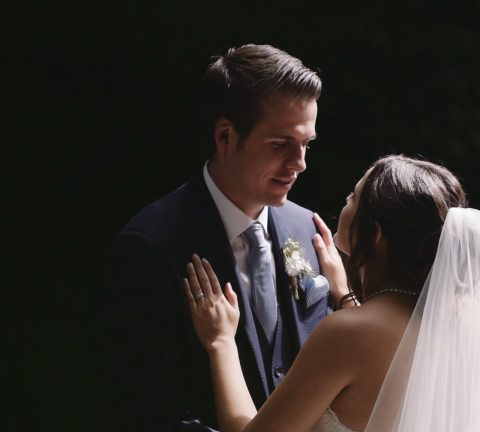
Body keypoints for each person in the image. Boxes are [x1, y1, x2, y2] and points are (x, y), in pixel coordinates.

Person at [102, 44, 347, 431]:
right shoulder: (150, 246)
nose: (300, 164)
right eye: (281, 144)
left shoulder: (308, 230)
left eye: (306, 145)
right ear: (226, 136)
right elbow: (148, 411)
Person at [182, 155, 480, 431]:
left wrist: (221, 342)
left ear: (376, 235)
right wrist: (345, 295)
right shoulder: (464, 324)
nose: (346, 203)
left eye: (354, 197)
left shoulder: (347, 332)